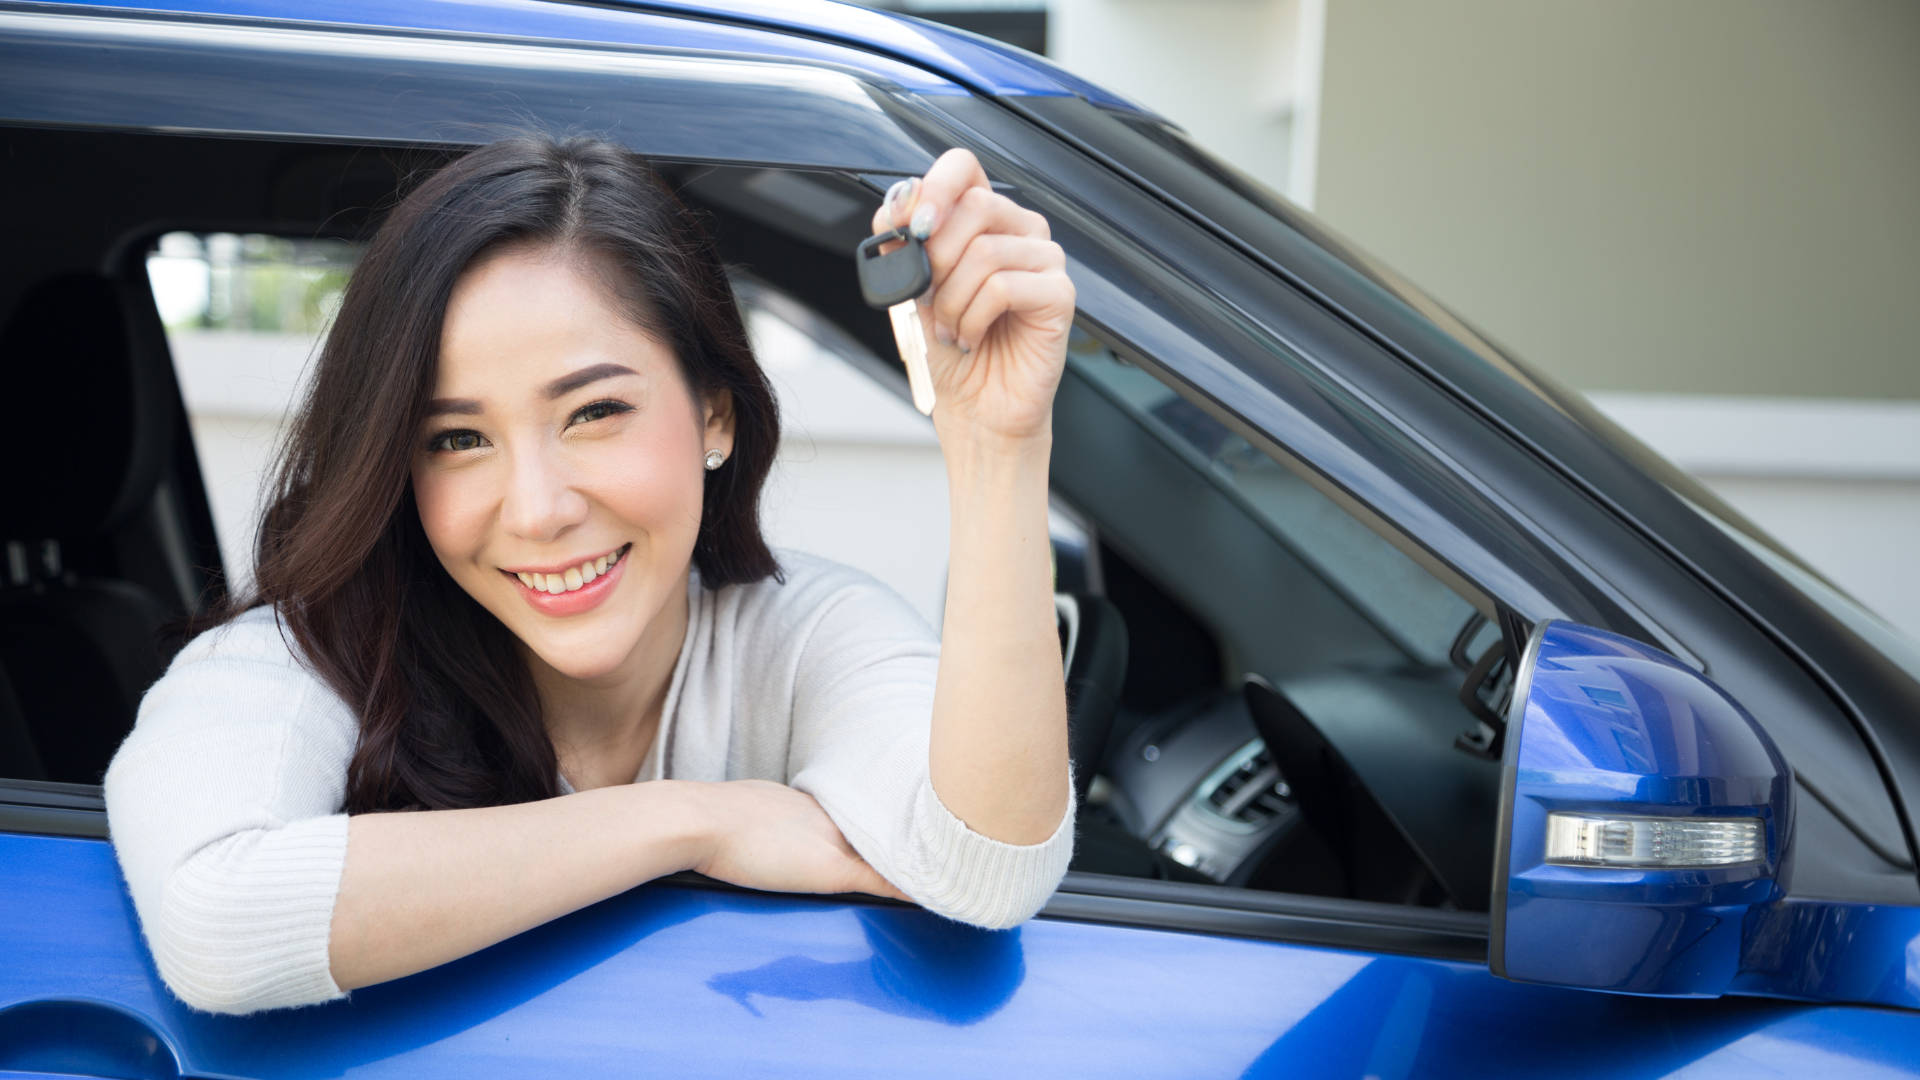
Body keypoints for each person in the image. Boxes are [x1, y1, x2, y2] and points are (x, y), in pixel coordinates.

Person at [103, 135, 1077, 1015]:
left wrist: (997, 444)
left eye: (594, 413)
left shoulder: (805, 636)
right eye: (458, 439)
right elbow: (217, 913)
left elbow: (982, 865)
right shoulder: (306, 656)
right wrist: (695, 822)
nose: (537, 510)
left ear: (714, 414)